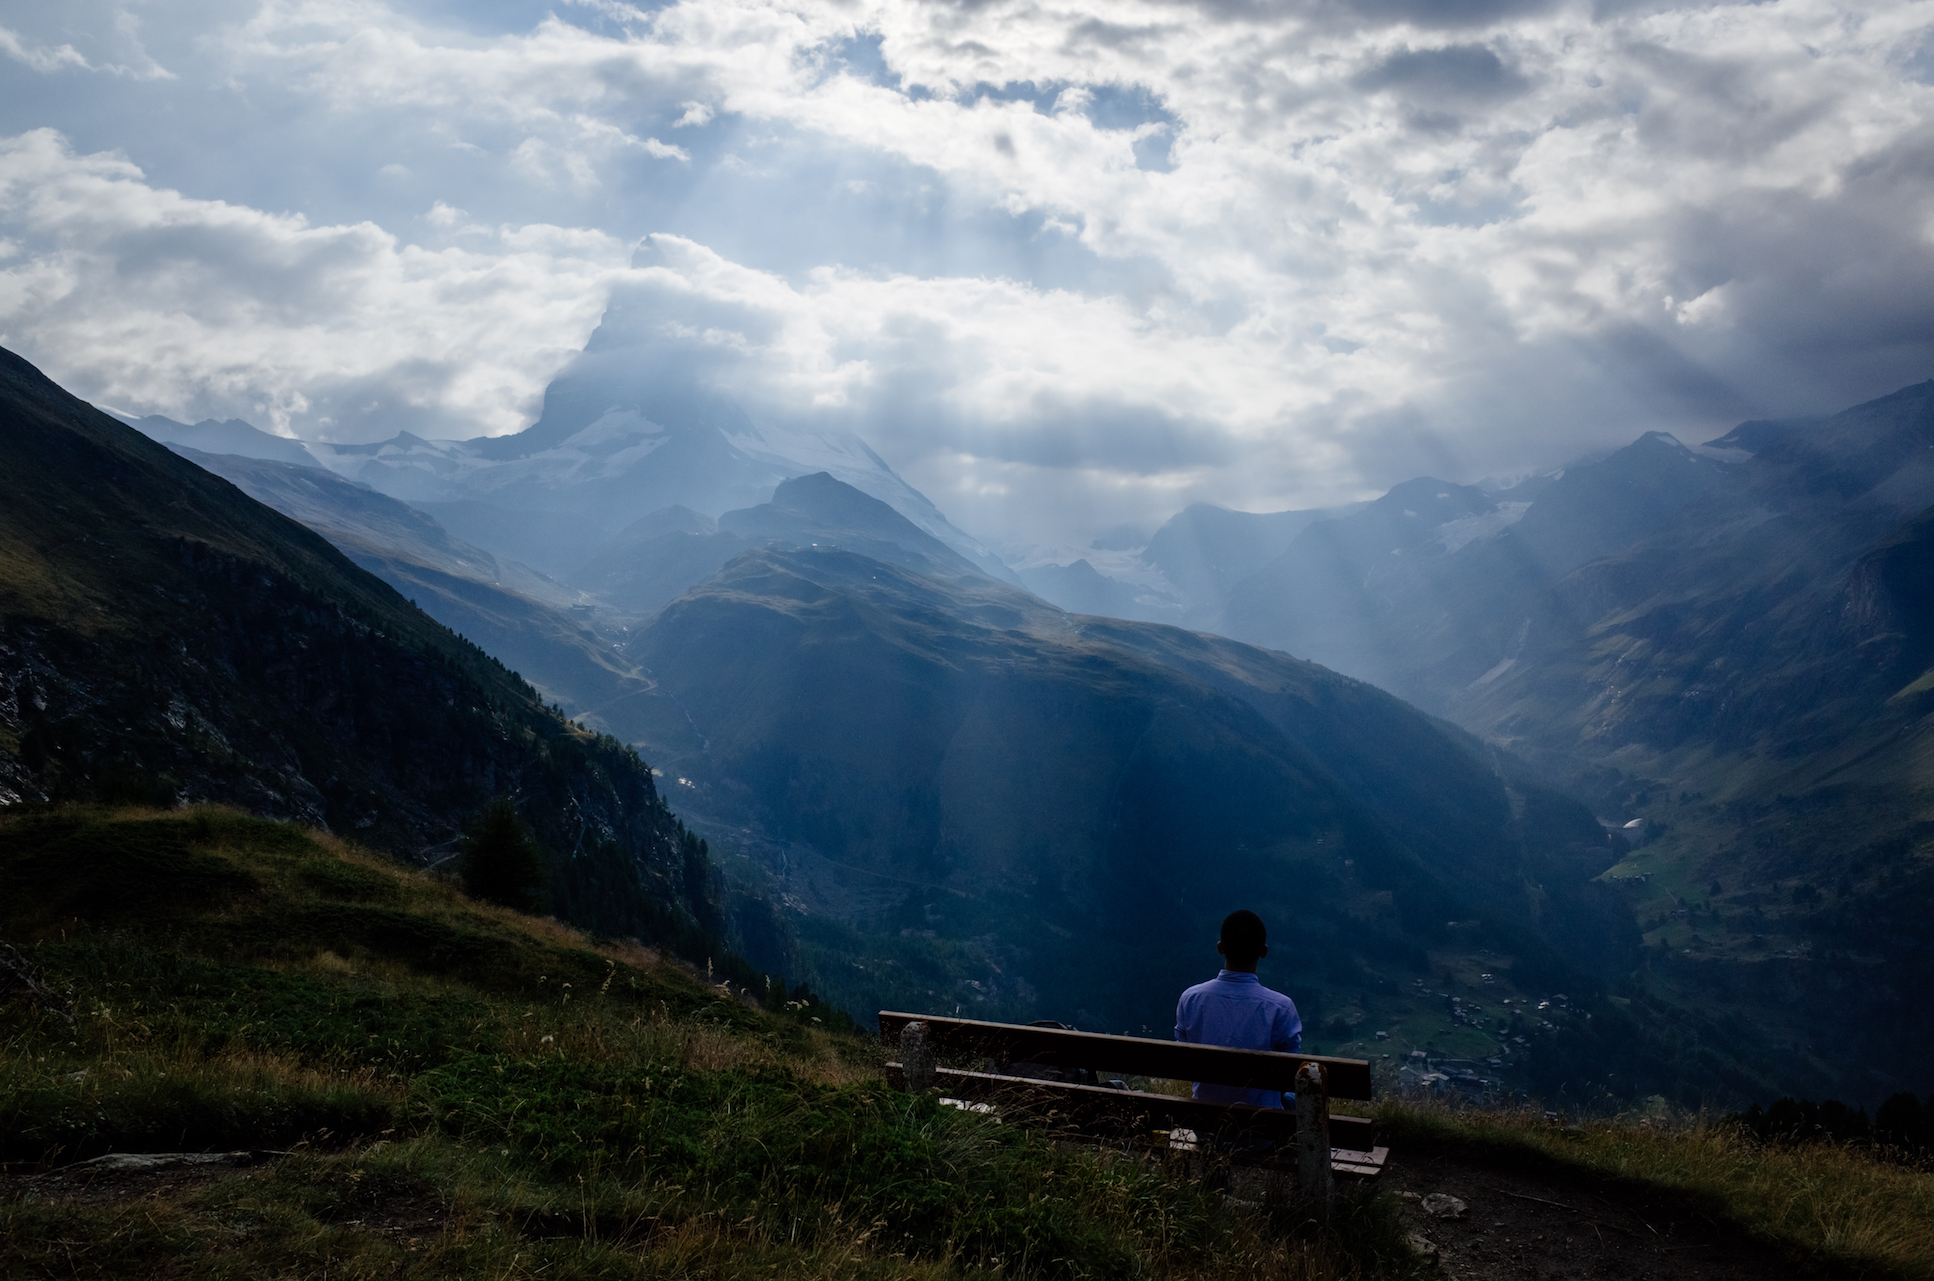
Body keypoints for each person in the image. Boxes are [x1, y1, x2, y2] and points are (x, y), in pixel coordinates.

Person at [1174, 909, 1303, 1108]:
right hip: (1262, 1131)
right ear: (1264, 952)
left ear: (1220, 948)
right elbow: (1291, 1074)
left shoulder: (1190, 999)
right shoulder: (1281, 1008)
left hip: (1204, 1122)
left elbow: (1184, 1060)